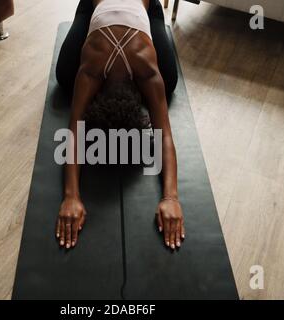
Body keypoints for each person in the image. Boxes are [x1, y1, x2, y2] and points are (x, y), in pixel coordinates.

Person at [55, 0, 185, 250]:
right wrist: (169, 197)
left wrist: (72, 195)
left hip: (143, 6)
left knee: (168, 80)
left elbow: (75, 129)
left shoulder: (134, 69)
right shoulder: (99, 68)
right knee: (64, 77)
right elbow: (164, 133)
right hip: (98, 7)